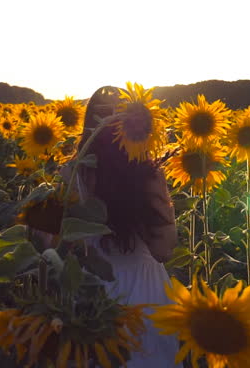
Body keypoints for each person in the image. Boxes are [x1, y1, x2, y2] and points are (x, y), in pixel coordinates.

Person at [69, 86, 179, 367]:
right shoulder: (147, 174)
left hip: (92, 292)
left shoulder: (71, 174)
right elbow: (164, 249)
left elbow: (49, 247)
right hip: (145, 293)